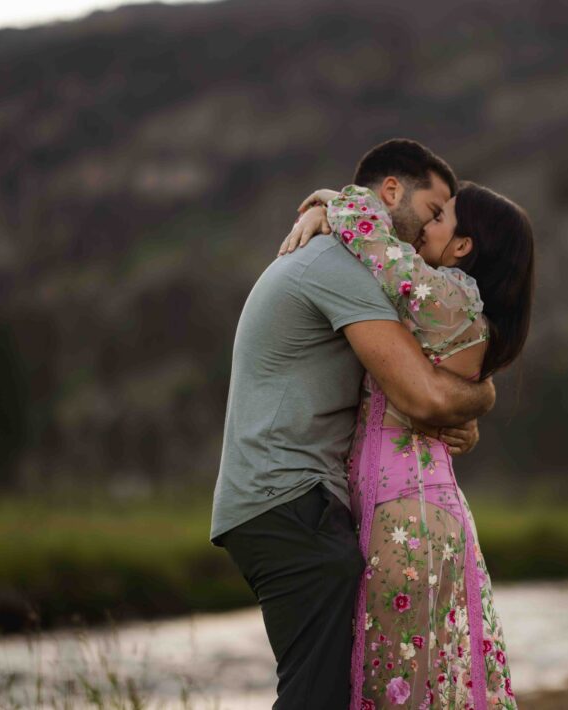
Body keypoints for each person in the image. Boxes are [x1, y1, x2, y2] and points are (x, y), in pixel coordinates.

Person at [210, 140, 497, 709]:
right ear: (391, 192)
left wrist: (466, 411)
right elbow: (423, 396)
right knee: (315, 694)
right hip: (286, 498)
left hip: (283, 498)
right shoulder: (337, 265)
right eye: (434, 210)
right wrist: (482, 396)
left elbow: (427, 379)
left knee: (328, 688)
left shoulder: (352, 258)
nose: (437, 226)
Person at [283, 175, 534, 709]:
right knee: (414, 687)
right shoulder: (457, 311)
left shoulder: (446, 295)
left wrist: (328, 200)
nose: (428, 222)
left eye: (441, 217)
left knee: (389, 689)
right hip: (423, 509)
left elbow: (376, 243)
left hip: (404, 517)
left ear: (463, 247)